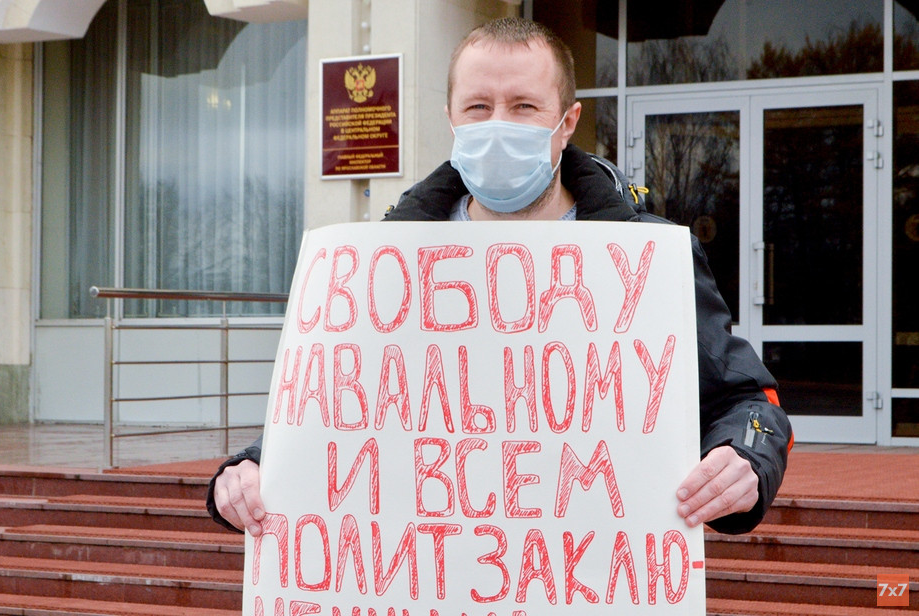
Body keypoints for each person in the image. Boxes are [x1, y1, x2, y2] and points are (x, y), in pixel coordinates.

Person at [208, 17, 792, 537]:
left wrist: (746, 456)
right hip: (431, 577)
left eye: (524, 106)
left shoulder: (649, 258)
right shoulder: (382, 262)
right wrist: (251, 468)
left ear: (567, 122)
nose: (498, 124)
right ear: (451, 120)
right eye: (478, 107)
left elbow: (749, 399)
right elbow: (338, 410)